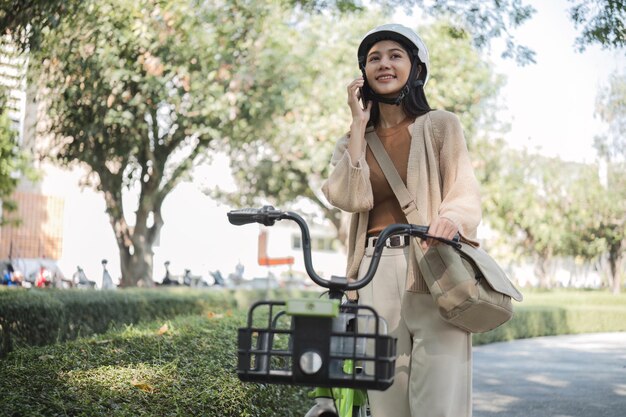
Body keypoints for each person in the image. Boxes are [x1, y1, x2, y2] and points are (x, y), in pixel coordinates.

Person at [322, 23, 482, 417]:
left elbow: (464, 192)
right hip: (374, 272)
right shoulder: (351, 141)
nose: (384, 64)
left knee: (438, 402)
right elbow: (346, 196)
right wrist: (358, 125)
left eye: (395, 55)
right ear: (363, 74)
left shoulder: (441, 125)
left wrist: (450, 219)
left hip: (434, 266)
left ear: (416, 67)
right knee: (386, 400)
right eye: (374, 58)